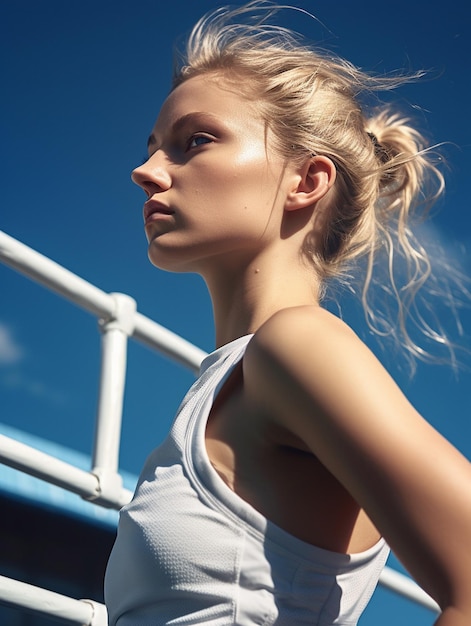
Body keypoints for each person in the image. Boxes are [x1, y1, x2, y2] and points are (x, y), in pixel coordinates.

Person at [104, 3, 471, 624]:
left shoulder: (295, 345)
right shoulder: (231, 381)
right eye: (153, 149)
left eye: (194, 141)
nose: (145, 172)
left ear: (306, 180)